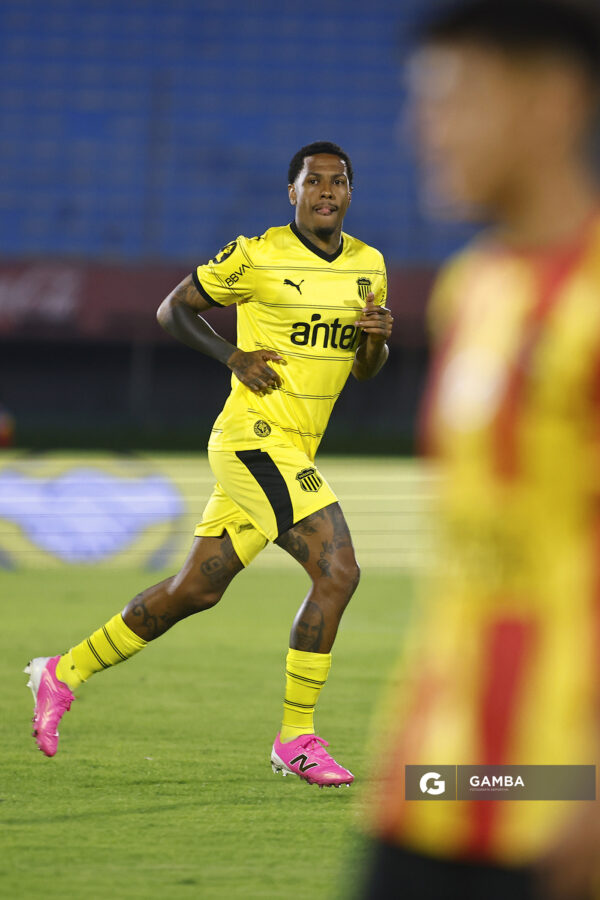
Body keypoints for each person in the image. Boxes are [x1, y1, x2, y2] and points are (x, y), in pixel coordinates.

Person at [26, 141, 393, 787]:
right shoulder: (256, 254)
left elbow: (365, 369)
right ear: (292, 192)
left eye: (337, 181)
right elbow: (172, 309)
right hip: (254, 439)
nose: (326, 191)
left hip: (293, 448)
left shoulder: (370, 265)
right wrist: (232, 356)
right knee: (339, 571)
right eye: (313, 181)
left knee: (195, 589)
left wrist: (375, 342)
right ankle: (296, 738)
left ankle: (63, 672)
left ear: (350, 193)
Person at [361, 0, 600, 896]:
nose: (421, 129)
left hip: (562, 795)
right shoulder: (473, 288)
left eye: (454, 98)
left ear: (552, 102)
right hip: (431, 779)